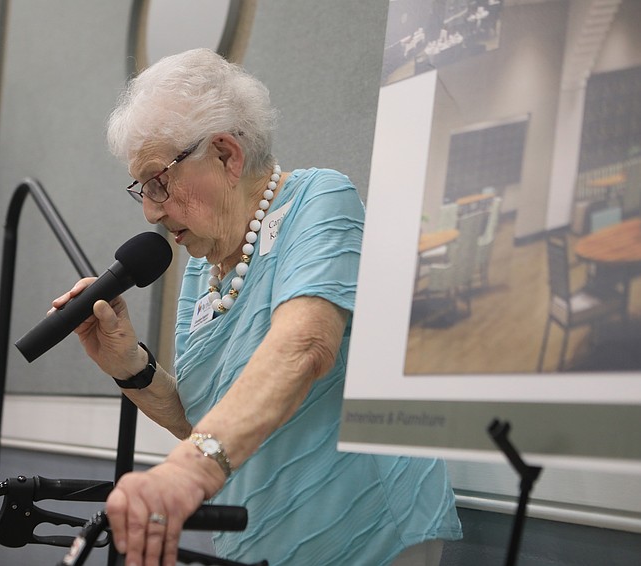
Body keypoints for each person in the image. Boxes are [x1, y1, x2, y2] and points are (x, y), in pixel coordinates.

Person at [54, 48, 462, 566]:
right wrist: (130, 366)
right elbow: (204, 420)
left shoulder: (320, 199)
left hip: (366, 527)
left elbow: (305, 346)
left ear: (226, 155)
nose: (150, 210)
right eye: (142, 187)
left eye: (159, 181)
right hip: (266, 537)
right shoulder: (202, 268)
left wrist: (185, 474)